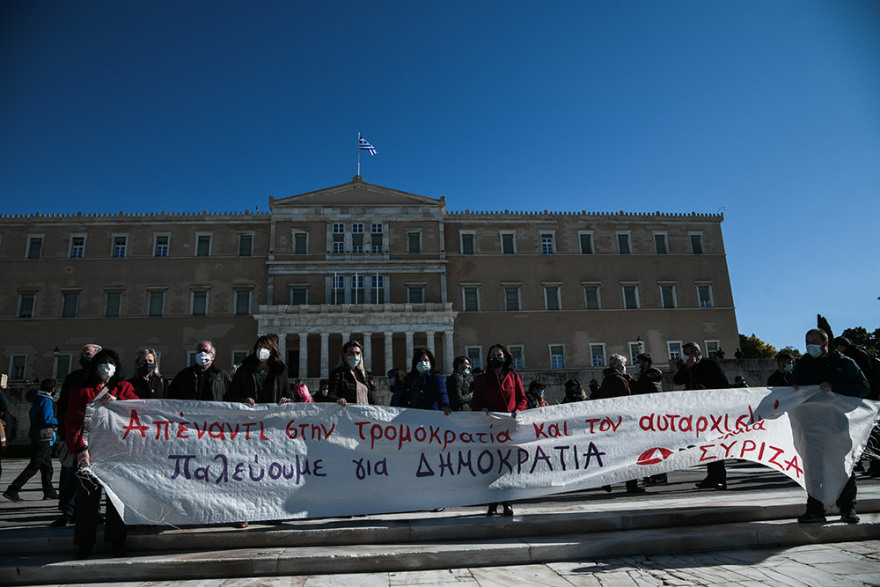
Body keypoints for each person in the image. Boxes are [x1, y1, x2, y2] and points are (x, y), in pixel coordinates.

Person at [65, 349, 138, 559]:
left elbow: (138, 410)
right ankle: (84, 544)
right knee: (87, 501)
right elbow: (72, 422)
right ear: (94, 367)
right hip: (90, 452)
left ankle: (117, 541)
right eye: (102, 363)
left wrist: (118, 402)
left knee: (117, 500)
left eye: (110, 362)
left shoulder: (124, 388)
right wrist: (79, 450)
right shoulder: (81, 391)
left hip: (117, 453)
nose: (106, 367)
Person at [791, 328, 870, 524]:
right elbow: (790, 388)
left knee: (842, 466)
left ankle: (847, 508)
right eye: (807, 341)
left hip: (836, 423)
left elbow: (863, 387)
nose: (810, 346)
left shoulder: (843, 363)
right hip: (810, 424)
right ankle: (815, 509)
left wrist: (834, 388)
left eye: (814, 342)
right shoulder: (802, 364)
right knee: (813, 467)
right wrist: (793, 388)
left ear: (825, 343)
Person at [471, 343, 527, 516]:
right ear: (488, 358)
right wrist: (482, 409)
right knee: (492, 465)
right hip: (490, 427)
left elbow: (522, 398)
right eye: (493, 354)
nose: (496, 357)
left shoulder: (513, 376)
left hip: (509, 427)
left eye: (499, 354)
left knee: (506, 465)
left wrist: (518, 410)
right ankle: (492, 502)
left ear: (506, 357)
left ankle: (507, 502)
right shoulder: (482, 379)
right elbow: (475, 402)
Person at [53, 343, 101, 527]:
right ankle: (68, 511)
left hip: (95, 434)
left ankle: (93, 512)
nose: (84, 357)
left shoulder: (102, 379)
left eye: (87, 354)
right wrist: (64, 431)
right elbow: (64, 405)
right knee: (70, 474)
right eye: (83, 354)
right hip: (74, 432)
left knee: (92, 475)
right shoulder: (73, 378)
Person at [673, 341, 730, 490]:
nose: (683, 357)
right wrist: (687, 368)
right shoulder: (687, 367)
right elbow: (677, 380)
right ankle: (711, 476)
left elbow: (724, 384)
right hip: (697, 411)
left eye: (686, 354)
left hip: (712, 410)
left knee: (715, 443)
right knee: (705, 444)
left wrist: (707, 388)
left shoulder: (710, 365)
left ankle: (719, 478)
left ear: (695, 353)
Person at [3, 379, 58, 502]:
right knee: (34, 465)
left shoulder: (37, 399)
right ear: (53, 389)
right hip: (43, 436)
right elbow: (46, 418)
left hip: (38, 435)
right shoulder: (46, 400)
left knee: (47, 466)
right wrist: (57, 422)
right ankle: (13, 489)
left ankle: (49, 491)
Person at [596, 355, 644, 494]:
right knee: (629, 454)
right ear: (619, 366)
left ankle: (607, 480)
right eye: (624, 365)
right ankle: (631, 484)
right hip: (623, 422)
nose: (625, 367)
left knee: (614, 453)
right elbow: (627, 399)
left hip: (611, 422)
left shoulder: (606, 380)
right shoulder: (620, 380)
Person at [226, 335, 291, 406]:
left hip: (272, 414)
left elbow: (288, 394)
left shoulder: (280, 371)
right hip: (249, 414)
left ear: (271, 352)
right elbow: (231, 395)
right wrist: (244, 401)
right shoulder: (244, 370)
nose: (261, 350)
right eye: (259, 347)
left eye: (265, 347)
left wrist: (286, 400)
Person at [633, 353, 667, 484]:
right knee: (650, 445)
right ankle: (655, 473)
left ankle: (660, 474)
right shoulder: (646, 377)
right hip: (648, 415)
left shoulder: (650, 376)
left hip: (654, 415)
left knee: (656, 445)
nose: (638, 364)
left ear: (646, 363)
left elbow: (646, 391)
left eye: (639, 362)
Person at [328, 341, 376, 406]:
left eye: (358, 353)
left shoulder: (363, 374)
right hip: (347, 412)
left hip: (364, 413)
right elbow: (331, 395)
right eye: (351, 353)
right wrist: (338, 400)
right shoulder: (337, 373)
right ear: (344, 355)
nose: (355, 356)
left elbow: (370, 397)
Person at [404, 349, 451, 414]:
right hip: (412, 415)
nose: (423, 363)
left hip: (430, 415)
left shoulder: (437, 377)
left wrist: (445, 406)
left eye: (426, 360)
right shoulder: (410, 379)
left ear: (431, 362)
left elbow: (442, 393)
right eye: (420, 361)